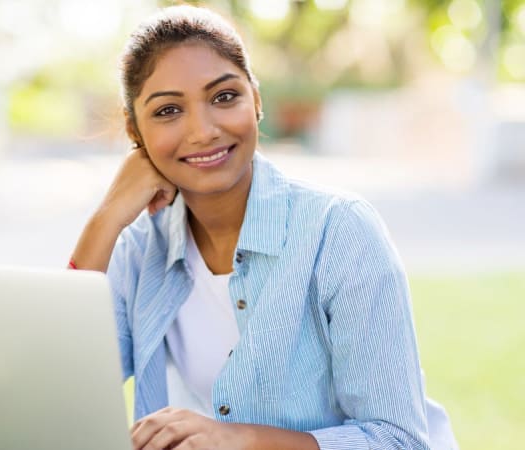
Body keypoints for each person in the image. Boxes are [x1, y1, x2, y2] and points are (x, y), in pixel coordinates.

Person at [70, 5, 456, 450]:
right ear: (134, 131)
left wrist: (237, 439)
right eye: (169, 110)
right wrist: (107, 218)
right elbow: (57, 389)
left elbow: (399, 440)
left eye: (224, 97)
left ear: (256, 100)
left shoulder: (339, 231)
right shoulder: (141, 248)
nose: (203, 131)